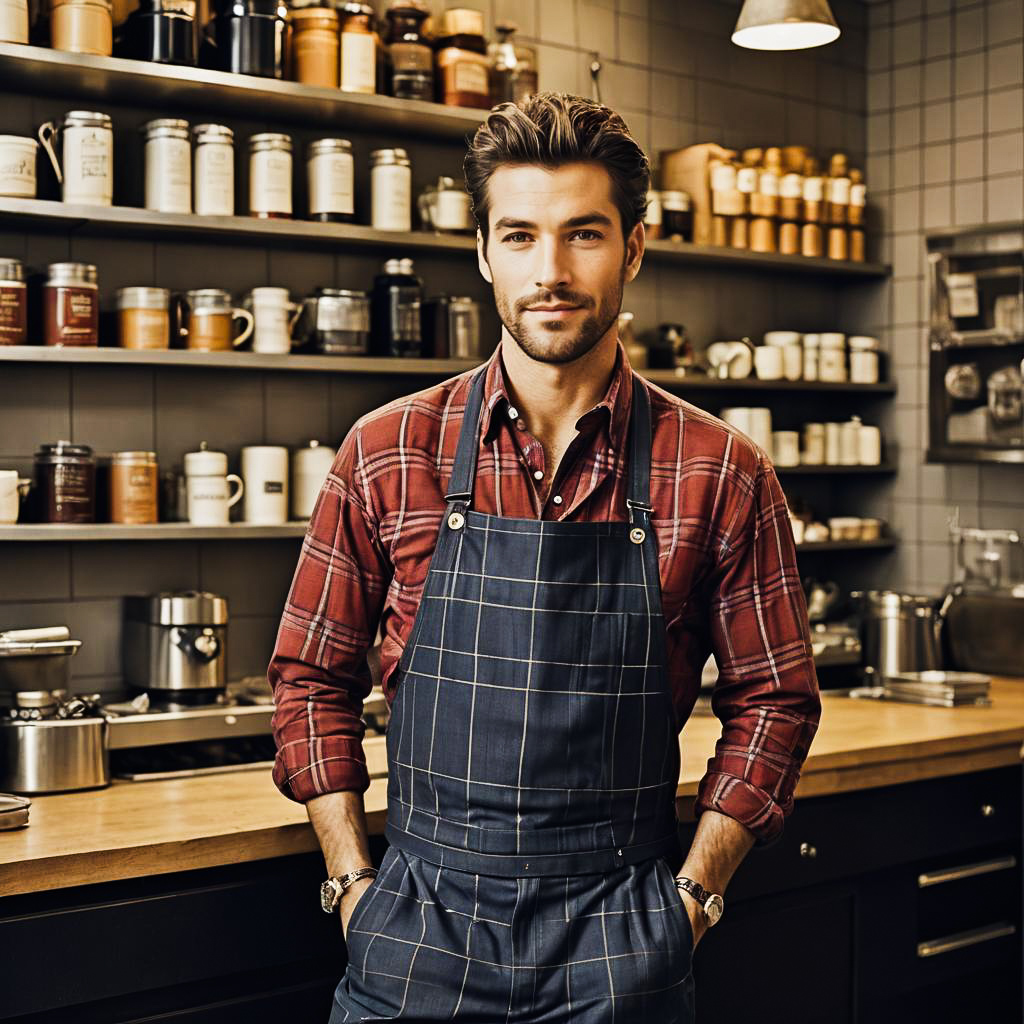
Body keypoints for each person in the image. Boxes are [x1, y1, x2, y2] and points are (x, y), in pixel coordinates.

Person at [269, 92, 821, 1023]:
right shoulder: (386, 450)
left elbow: (776, 699)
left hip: (624, 942)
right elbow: (307, 679)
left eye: (584, 235)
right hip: (415, 931)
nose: (550, 271)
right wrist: (352, 883)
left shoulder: (721, 470)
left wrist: (690, 901)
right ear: (483, 253)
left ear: (634, 249)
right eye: (519, 236)